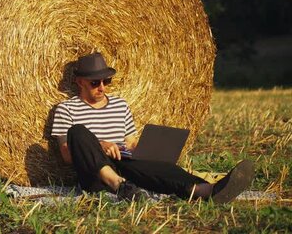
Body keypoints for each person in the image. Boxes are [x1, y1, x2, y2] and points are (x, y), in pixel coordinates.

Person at [51, 52, 254, 203]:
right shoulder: (66, 109)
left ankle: (206, 190)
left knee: (154, 165)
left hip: (126, 166)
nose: (102, 87)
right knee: (77, 131)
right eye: (95, 82)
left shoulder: (120, 105)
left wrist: (147, 149)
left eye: (107, 81)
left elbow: (130, 142)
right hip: (95, 174)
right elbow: (68, 156)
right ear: (80, 82)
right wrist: (101, 145)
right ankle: (118, 185)